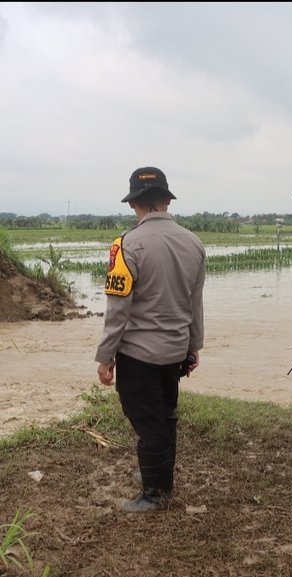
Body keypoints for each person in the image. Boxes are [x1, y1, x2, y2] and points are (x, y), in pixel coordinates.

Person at [95, 166, 206, 513]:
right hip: (174, 351)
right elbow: (195, 303)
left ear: (135, 204)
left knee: (147, 420)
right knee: (165, 414)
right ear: (167, 200)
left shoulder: (127, 245)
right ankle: (161, 482)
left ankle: (155, 493)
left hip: (139, 354)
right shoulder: (194, 243)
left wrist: (105, 355)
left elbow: (118, 309)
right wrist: (193, 346)